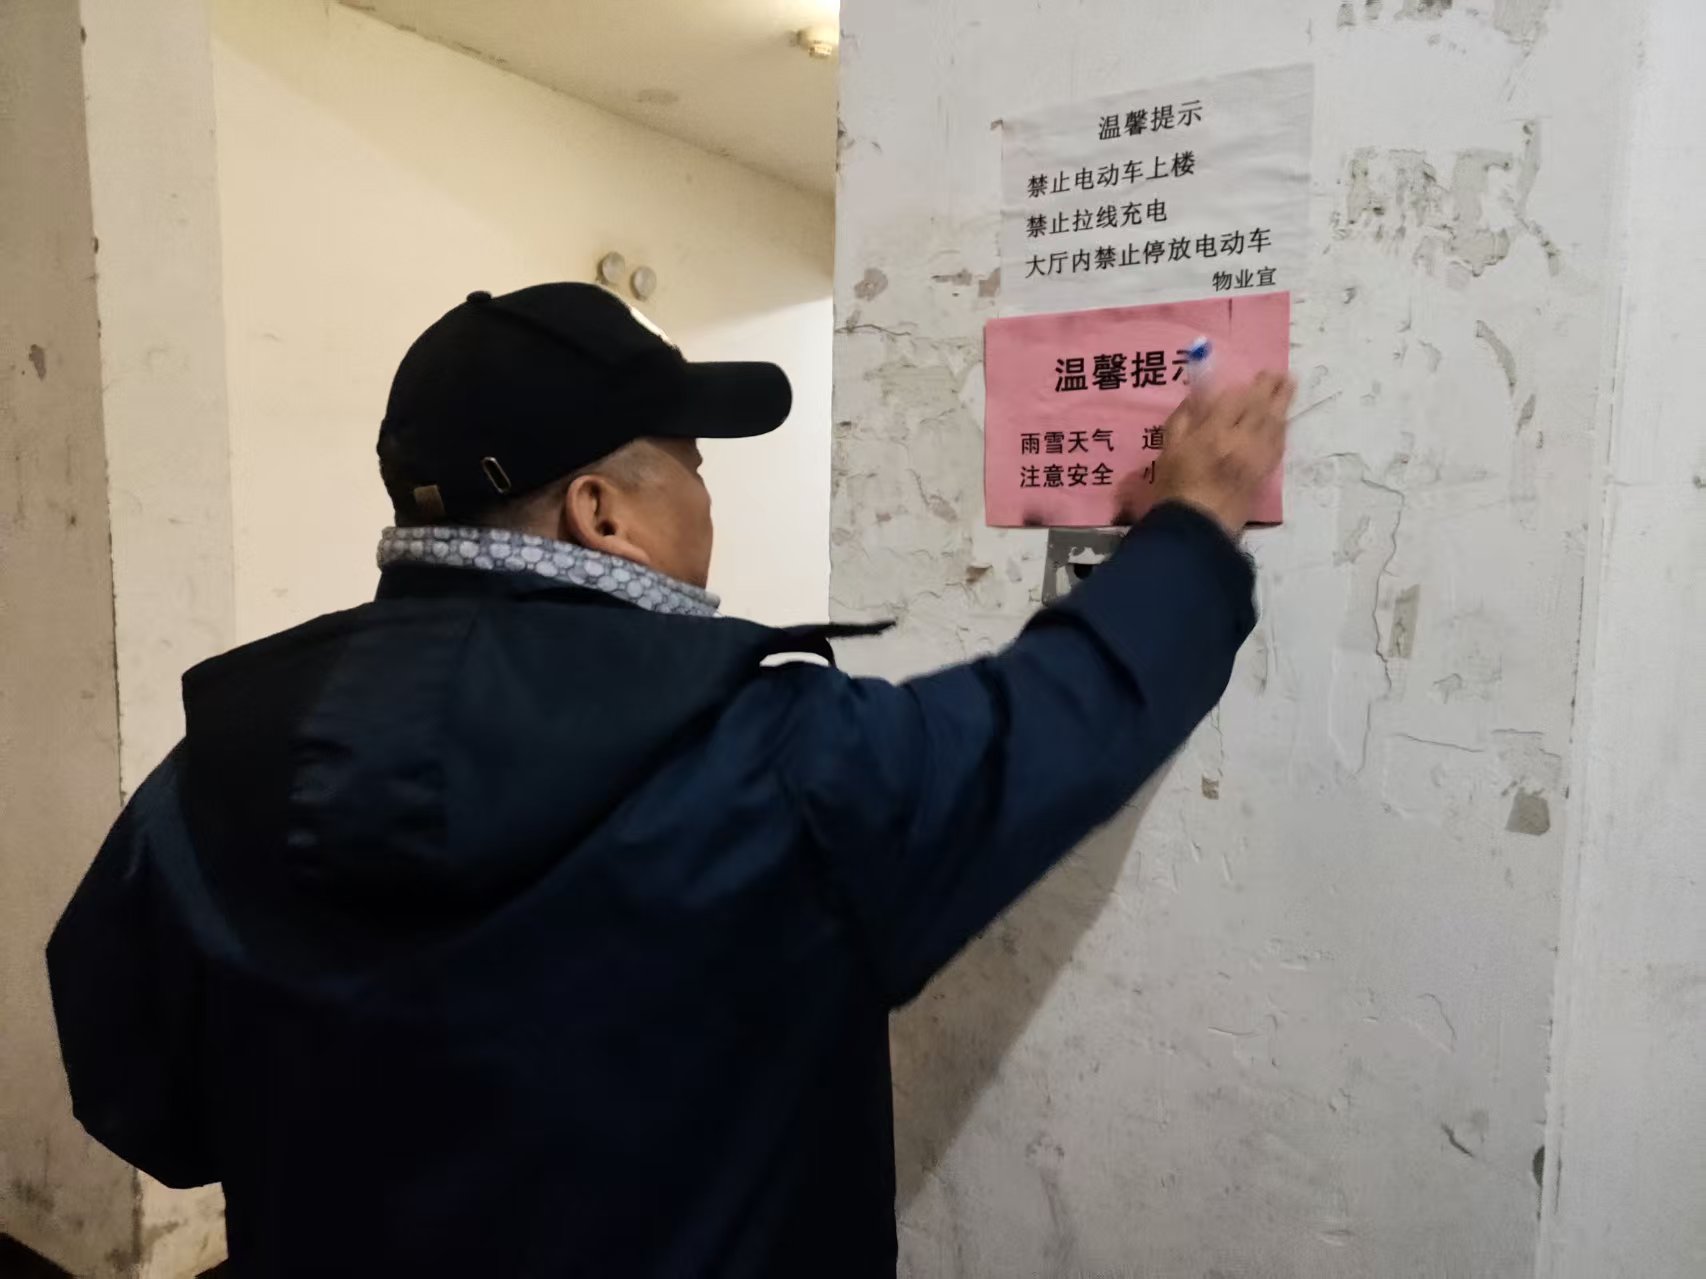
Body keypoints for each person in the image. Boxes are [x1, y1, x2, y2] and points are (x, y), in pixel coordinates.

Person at [48, 283, 1293, 1277]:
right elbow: (1053, 722)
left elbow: (146, 1107)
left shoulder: (208, 772)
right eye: (692, 463)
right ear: (601, 511)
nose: (706, 498)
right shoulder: (775, 765)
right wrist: (1192, 525)